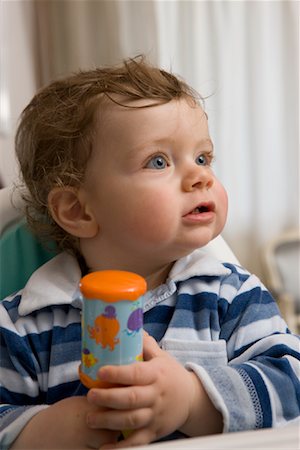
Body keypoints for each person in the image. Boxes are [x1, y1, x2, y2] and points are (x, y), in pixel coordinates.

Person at [0, 56, 299, 450]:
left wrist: (192, 400)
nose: (201, 176)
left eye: (203, 157)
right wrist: (48, 429)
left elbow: (290, 381)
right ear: (78, 210)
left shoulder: (232, 295)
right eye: (158, 161)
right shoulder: (25, 325)